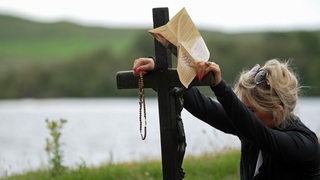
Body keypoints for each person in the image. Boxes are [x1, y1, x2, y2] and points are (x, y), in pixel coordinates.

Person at [133, 57, 320, 179]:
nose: (244, 116)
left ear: (277, 110)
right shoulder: (249, 126)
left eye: (250, 111)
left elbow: (261, 134)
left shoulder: (304, 145)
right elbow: (205, 107)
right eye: (243, 109)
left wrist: (219, 86)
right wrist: (161, 74)